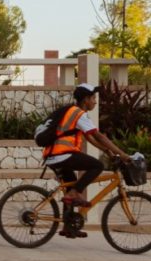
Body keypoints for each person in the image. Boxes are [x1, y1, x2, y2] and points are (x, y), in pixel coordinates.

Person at [43, 83, 131, 238]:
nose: (95, 102)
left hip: (54, 155)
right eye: (93, 98)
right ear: (85, 100)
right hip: (62, 154)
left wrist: (107, 151)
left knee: (70, 185)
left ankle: (69, 227)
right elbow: (99, 136)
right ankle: (74, 194)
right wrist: (122, 154)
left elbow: (89, 137)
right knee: (97, 165)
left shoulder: (73, 112)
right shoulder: (79, 114)